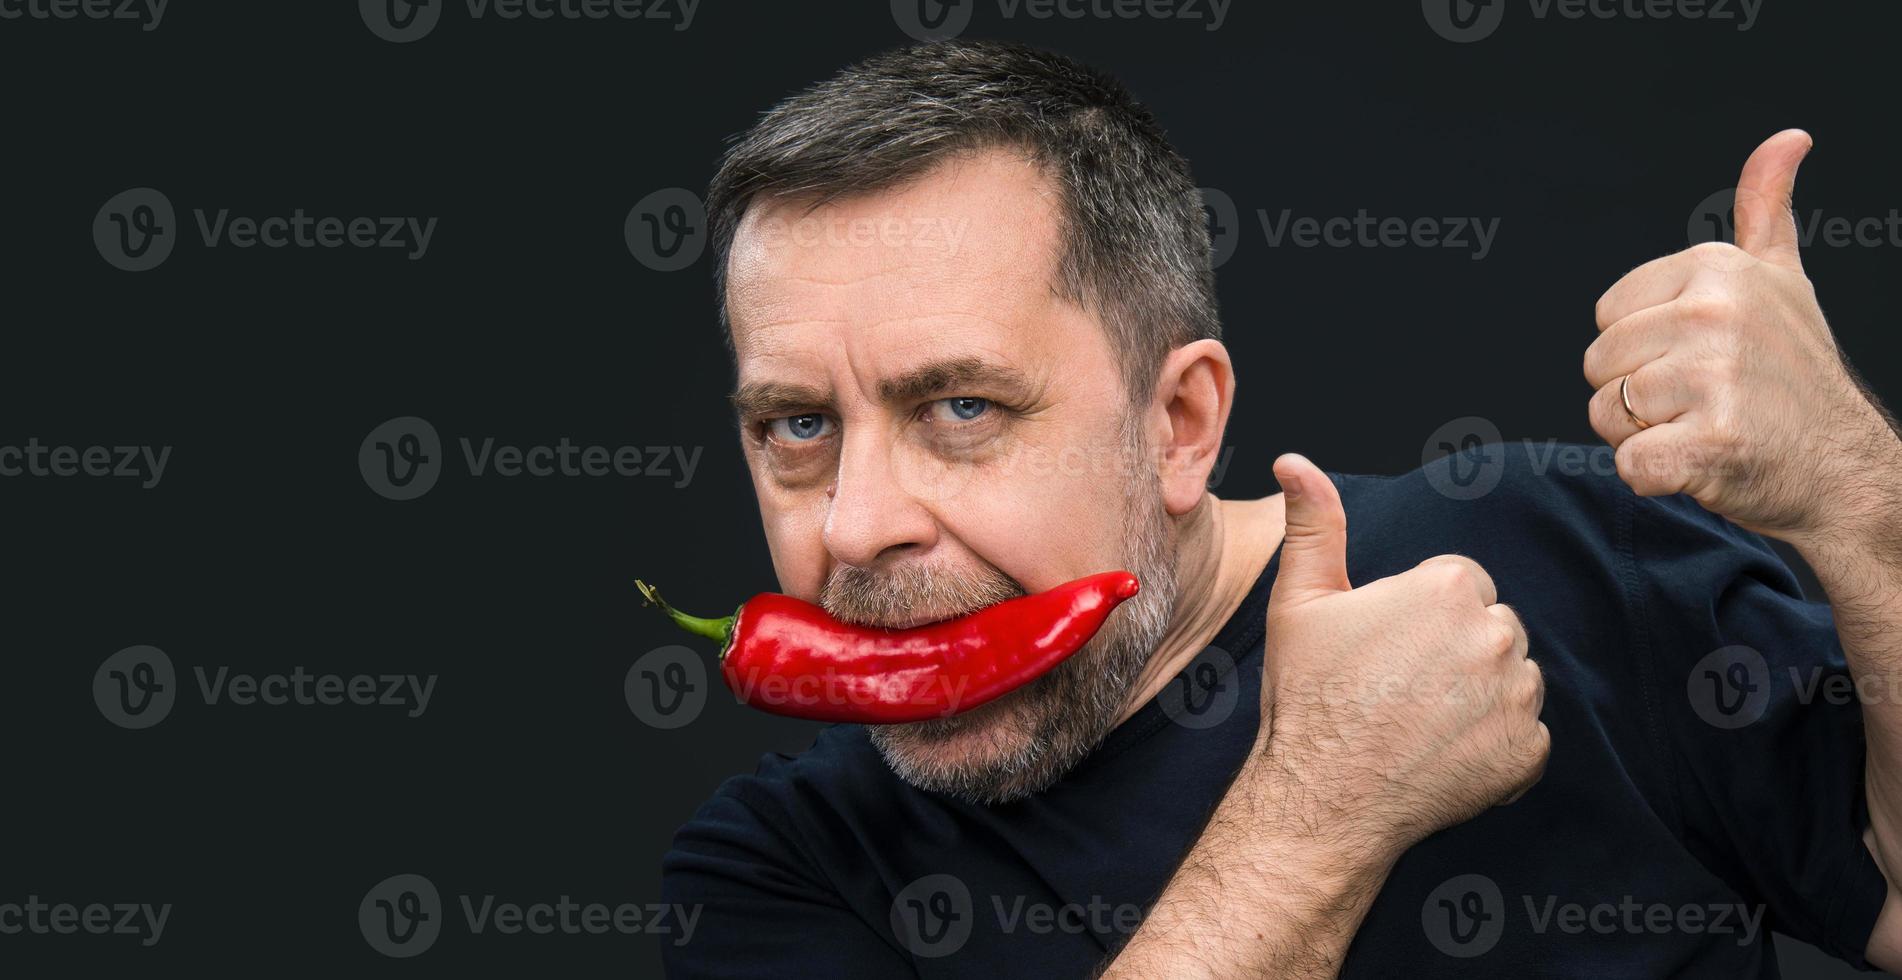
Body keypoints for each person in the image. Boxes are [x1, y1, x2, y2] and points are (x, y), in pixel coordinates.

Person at [660, 38, 1902, 976]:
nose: (854, 523)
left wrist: (1861, 493)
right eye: (799, 426)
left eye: (963, 407)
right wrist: (1320, 811)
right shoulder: (784, 868)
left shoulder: (1563, 553)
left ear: (1180, 424)